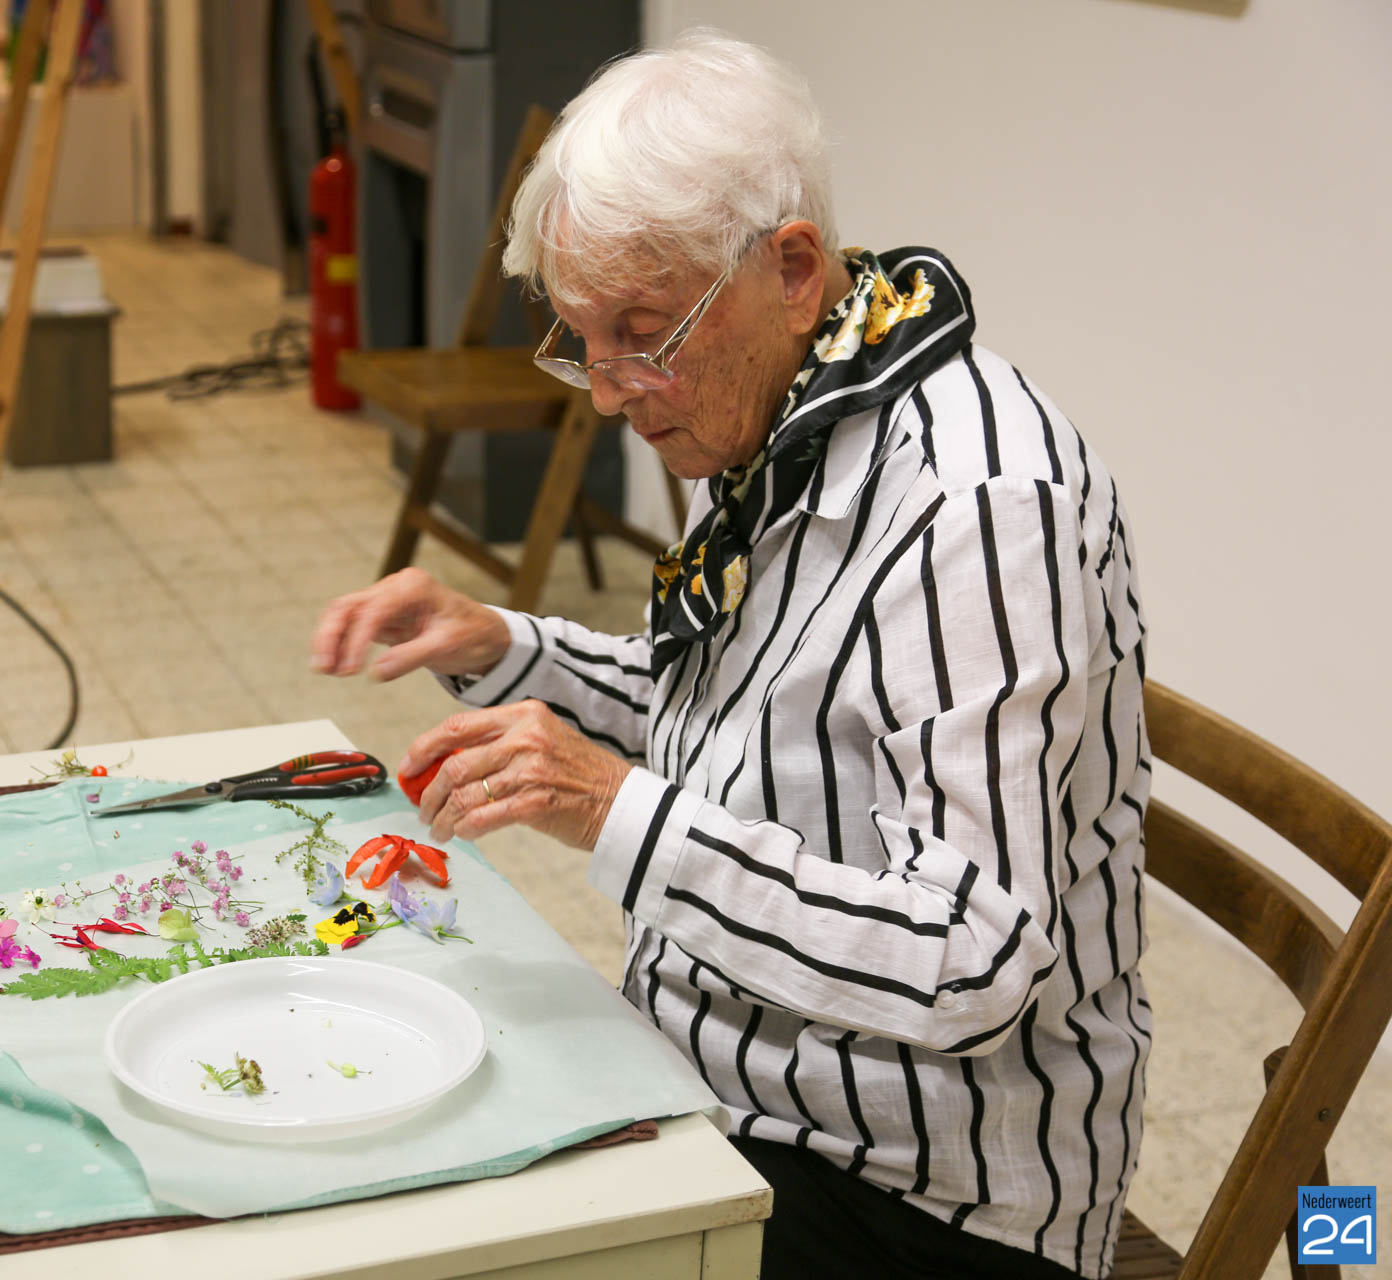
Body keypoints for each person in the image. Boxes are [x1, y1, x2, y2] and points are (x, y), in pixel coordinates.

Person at [310, 29, 1150, 1280]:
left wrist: (614, 810)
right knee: (377, 1136)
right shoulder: (795, 404)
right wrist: (511, 647)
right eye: (580, 337)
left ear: (793, 270)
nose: (608, 390)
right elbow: (746, 715)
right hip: (723, 1072)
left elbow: (972, 956)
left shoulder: (977, 506)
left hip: (916, 1189)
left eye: (642, 333)